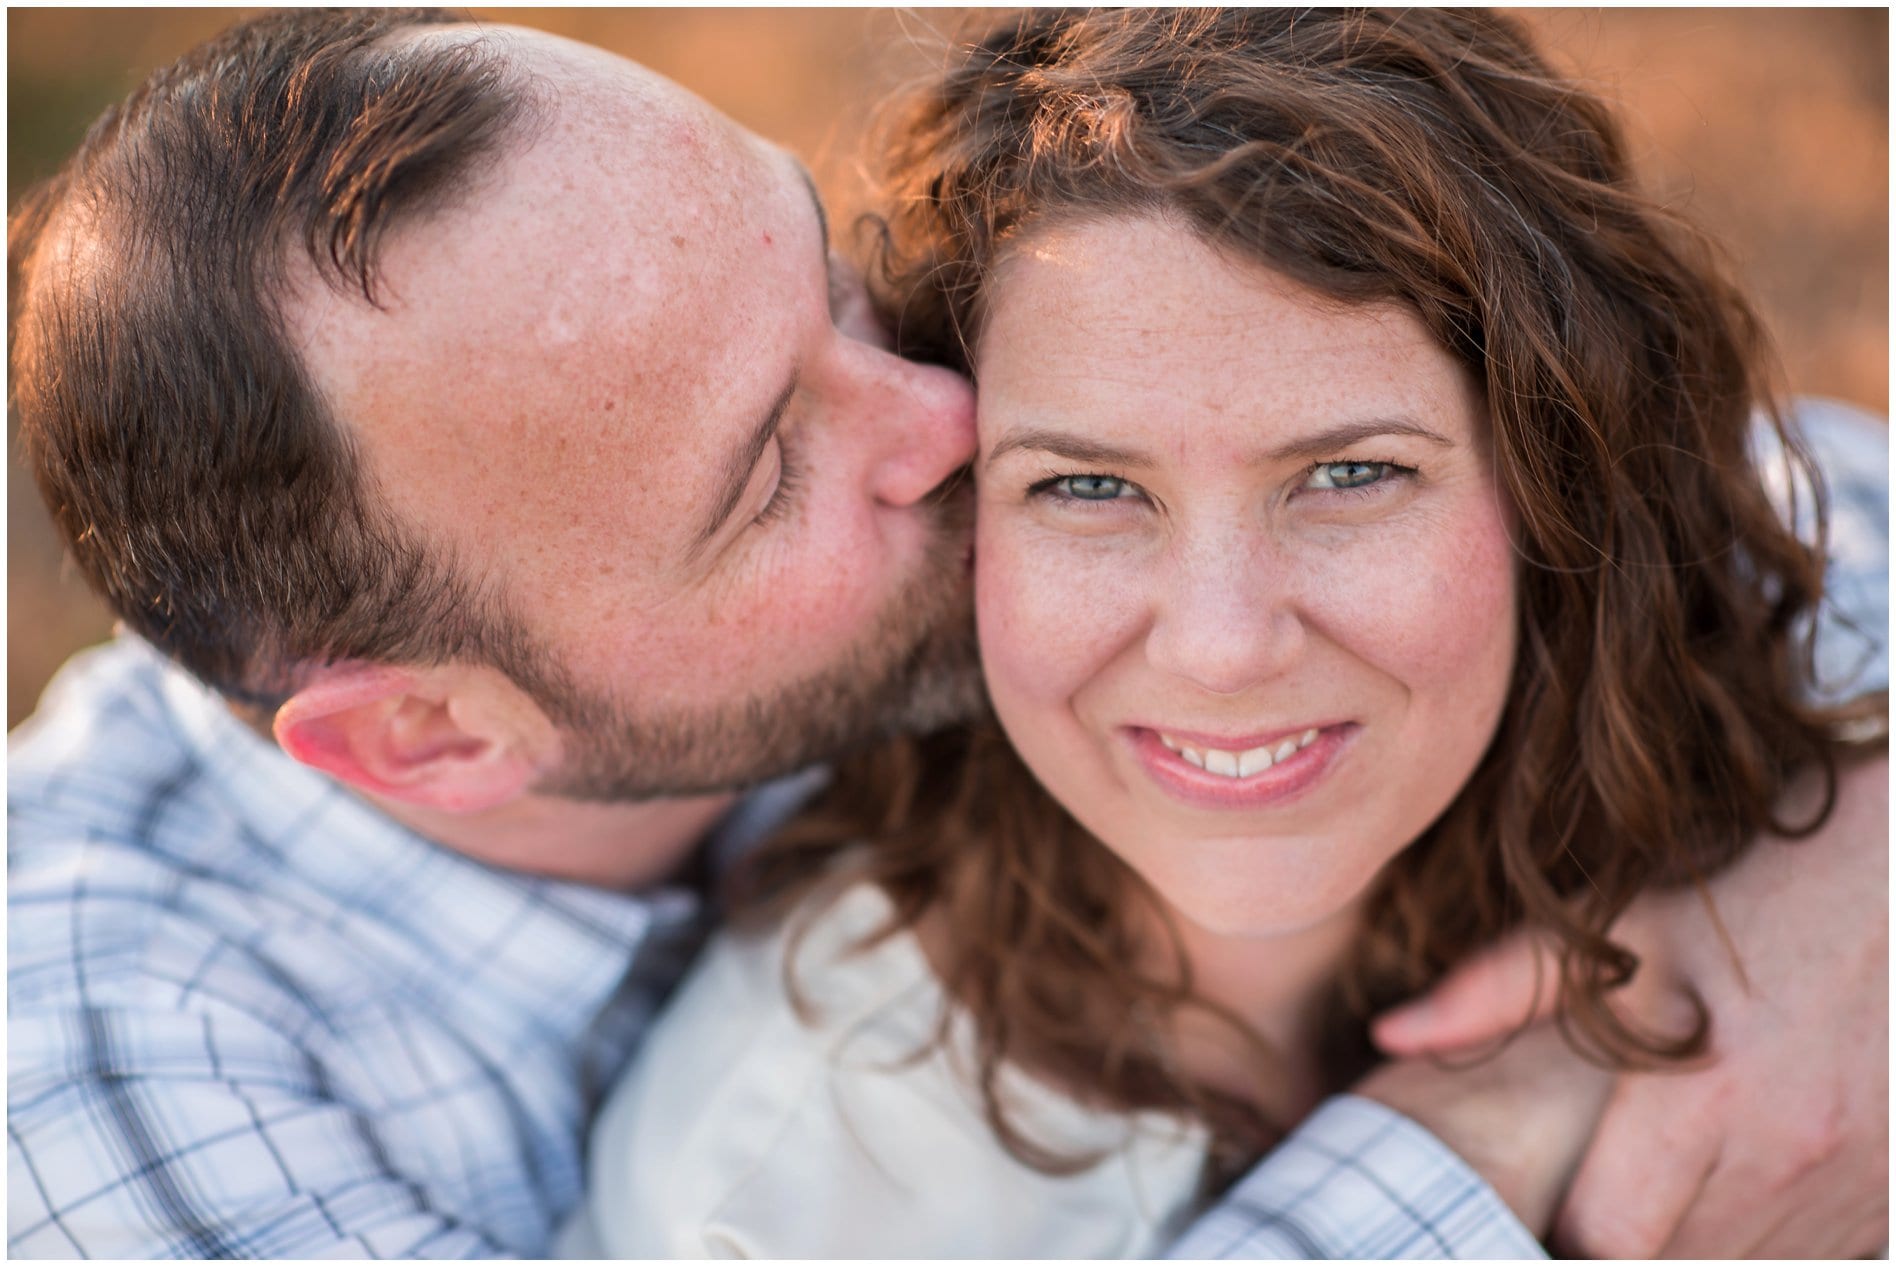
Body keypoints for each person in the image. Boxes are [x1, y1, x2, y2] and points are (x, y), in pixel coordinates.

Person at [5, 7, 1885, 1260]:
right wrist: (1532, 1100)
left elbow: (1680, 463)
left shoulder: (816, 554)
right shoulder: (96, 1094)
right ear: (430, 740)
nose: (949, 420)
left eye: (825, 278)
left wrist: (1848, 840)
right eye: (764, 474)